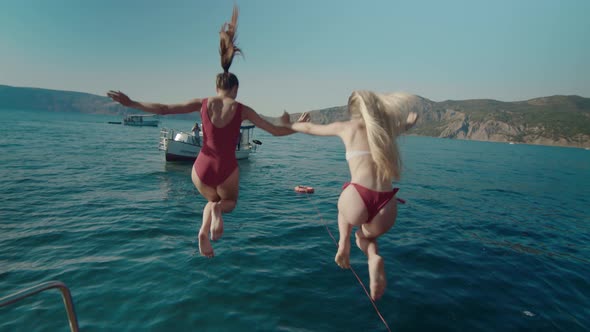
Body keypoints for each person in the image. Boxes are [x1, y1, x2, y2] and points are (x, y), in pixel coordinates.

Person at [107, 5, 308, 258]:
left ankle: (203, 231)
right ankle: (215, 216)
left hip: (201, 167)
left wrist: (132, 103)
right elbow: (276, 131)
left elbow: (164, 108)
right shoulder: (242, 108)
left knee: (211, 202)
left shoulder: (203, 103)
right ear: (235, 89)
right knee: (229, 204)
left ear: (216, 87)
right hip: (226, 168)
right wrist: (298, 126)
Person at [281, 90, 418, 300]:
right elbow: (406, 125)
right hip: (387, 204)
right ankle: (373, 258)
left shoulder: (347, 127)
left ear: (352, 111)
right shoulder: (385, 130)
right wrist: (410, 120)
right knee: (366, 236)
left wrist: (293, 123)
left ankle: (343, 243)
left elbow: (309, 128)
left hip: (359, 196)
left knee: (344, 210)